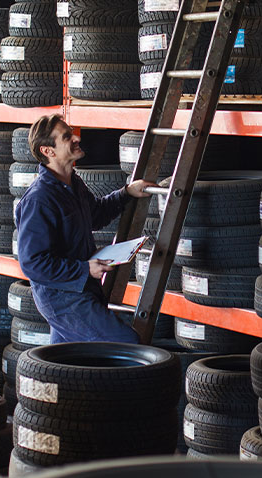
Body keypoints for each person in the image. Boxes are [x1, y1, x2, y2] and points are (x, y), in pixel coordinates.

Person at [15, 114, 157, 344]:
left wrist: (126, 193)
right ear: (47, 151)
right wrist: (83, 269)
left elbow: (95, 215)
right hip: (63, 299)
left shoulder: (72, 183)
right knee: (127, 344)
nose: (77, 137)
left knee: (66, 365)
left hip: (81, 290)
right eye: (67, 136)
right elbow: (32, 263)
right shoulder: (39, 200)